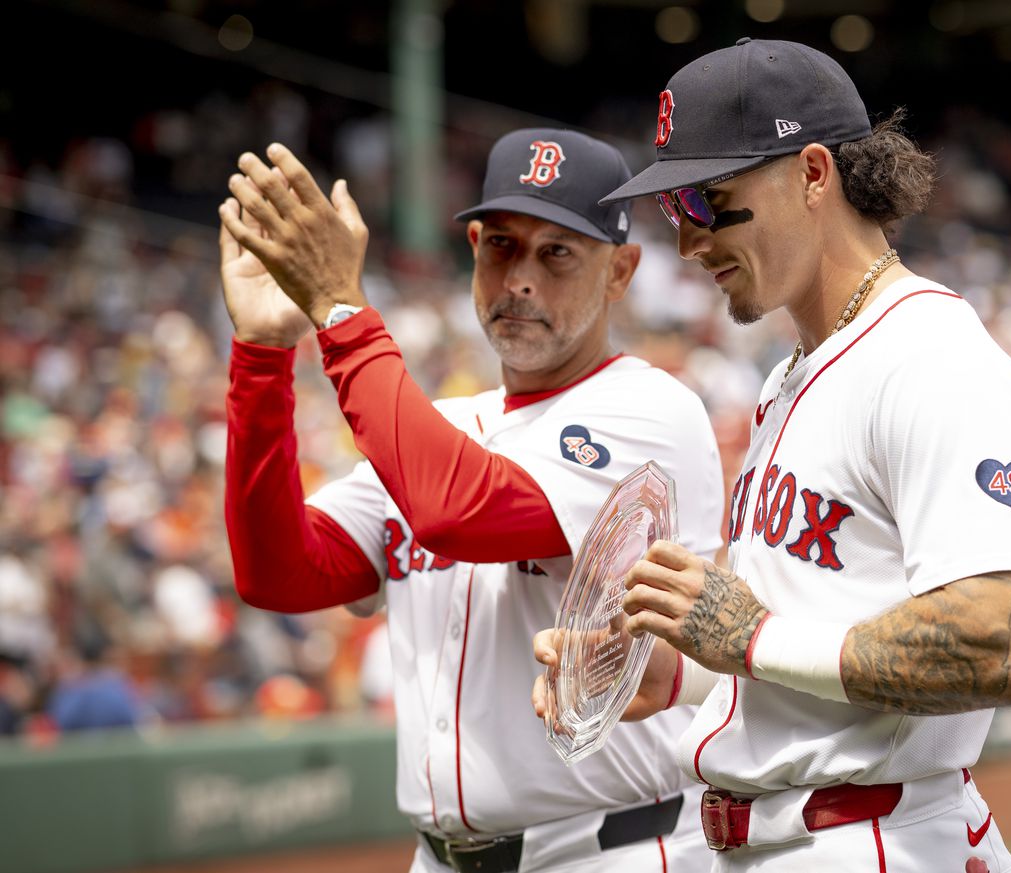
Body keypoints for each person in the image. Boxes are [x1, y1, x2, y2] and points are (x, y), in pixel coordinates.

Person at [540, 39, 1011, 872]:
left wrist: (750, 637)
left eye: (710, 201)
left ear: (814, 173)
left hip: (875, 838)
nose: (689, 242)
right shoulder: (794, 373)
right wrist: (677, 676)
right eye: (675, 212)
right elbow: (809, 630)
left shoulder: (929, 357)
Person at [218, 128, 724, 872]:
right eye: (501, 246)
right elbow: (279, 571)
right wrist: (261, 355)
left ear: (620, 271)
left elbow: (456, 511)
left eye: (557, 252)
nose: (520, 277)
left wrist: (339, 310)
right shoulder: (444, 429)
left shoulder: (651, 409)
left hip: (610, 850)